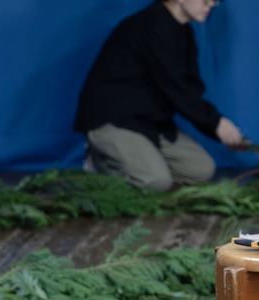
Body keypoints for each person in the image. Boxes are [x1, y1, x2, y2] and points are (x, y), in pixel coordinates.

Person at [73, 0, 245, 191]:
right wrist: (216, 123)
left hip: (149, 122)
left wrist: (219, 130)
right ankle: (100, 161)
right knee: (156, 181)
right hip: (114, 120)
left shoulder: (184, 31)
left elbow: (189, 88)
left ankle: (142, 162)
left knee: (200, 170)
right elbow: (177, 88)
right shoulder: (152, 25)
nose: (211, 4)